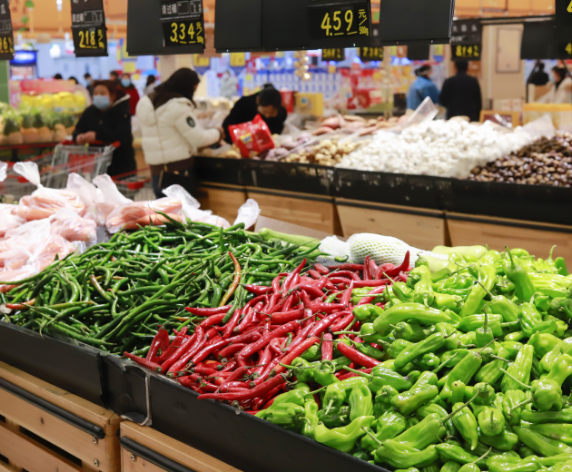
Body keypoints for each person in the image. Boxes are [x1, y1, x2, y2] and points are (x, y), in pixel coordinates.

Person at [136, 68, 223, 198]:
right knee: (184, 209)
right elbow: (198, 139)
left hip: (156, 172)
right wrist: (218, 133)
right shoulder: (177, 105)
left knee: (163, 209)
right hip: (179, 171)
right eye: (194, 88)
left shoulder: (145, 103)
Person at [73, 80, 136, 177]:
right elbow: (78, 129)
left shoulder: (122, 113)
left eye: (102, 93)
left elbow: (123, 136)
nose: (98, 96)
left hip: (121, 166)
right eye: (95, 93)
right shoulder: (89, 112)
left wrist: (97, 136)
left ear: (112, 96)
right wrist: (78, 136)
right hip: (97, 166)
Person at [222, 84, 287, 141]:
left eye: (272, 113)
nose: (267, 116)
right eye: (264, 111)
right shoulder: (243, 105)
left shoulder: (281, 114)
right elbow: (227, 128)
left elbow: (276, 134)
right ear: (257, 100)